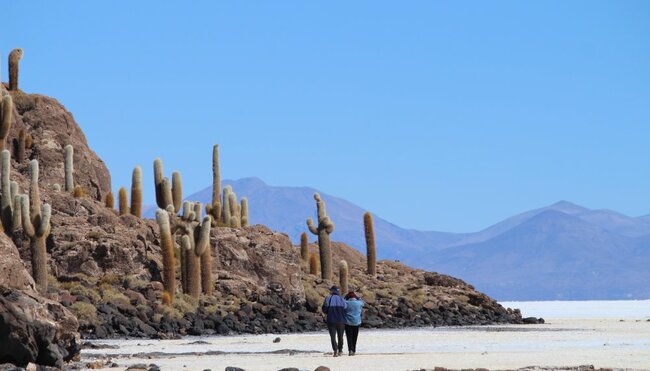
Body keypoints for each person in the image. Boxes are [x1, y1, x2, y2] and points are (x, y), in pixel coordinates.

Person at [322, 285, 347, 357]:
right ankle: (340, 350)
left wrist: (328, 312)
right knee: (340, 336)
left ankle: (335, 350)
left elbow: (325, 309)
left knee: (333, 337)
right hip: (341, 321)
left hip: (331, 320)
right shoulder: (342, 299)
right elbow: (345, 308)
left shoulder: (328, 298)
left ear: (332, 291)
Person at [344, 291, 364, 356]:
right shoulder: (359, 303)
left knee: (349, 337)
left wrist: (344, 296)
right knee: (355, 337)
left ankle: (350, 350)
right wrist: (358, 298)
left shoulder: (346, 303)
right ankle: (354, 349)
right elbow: (363, 303)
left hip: (348, 322)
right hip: (357, 321)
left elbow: (342, 302)